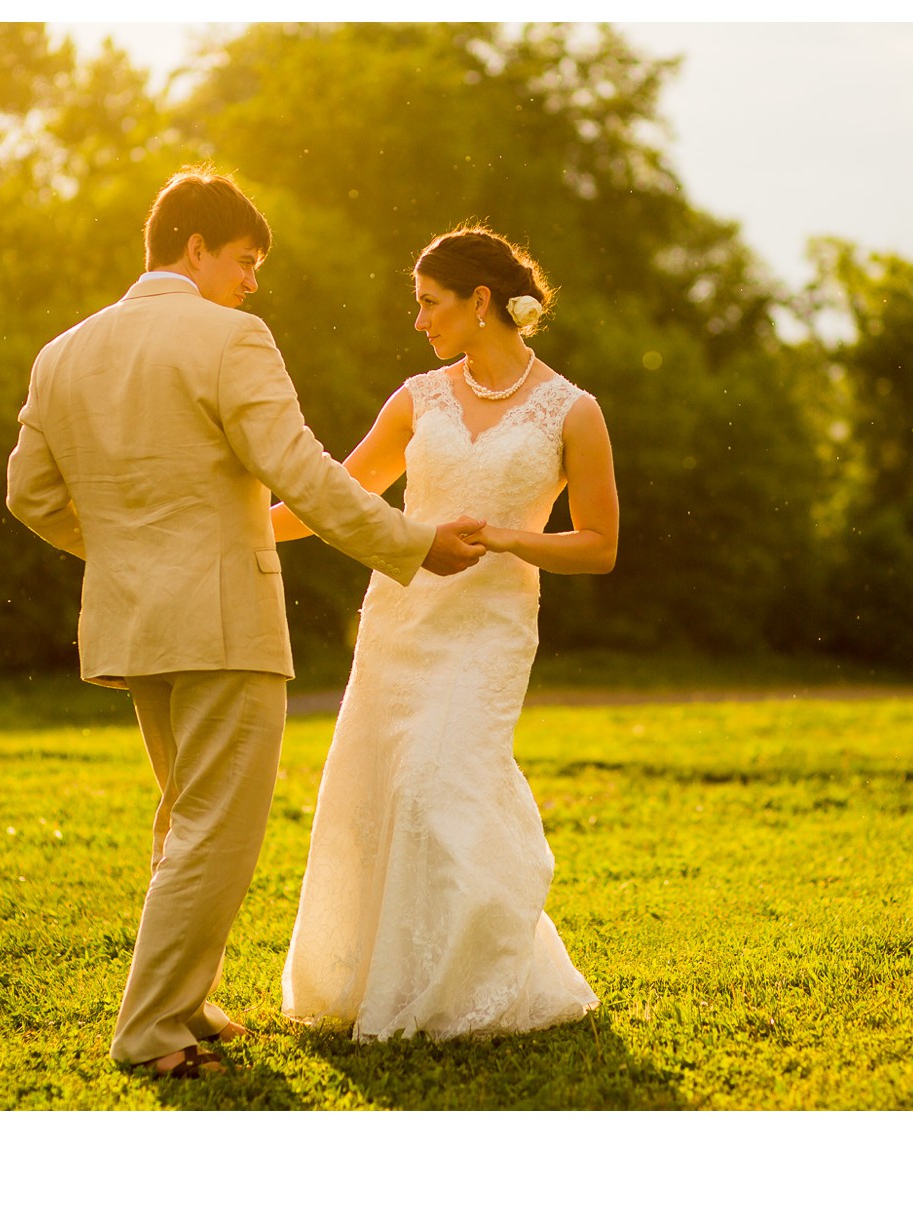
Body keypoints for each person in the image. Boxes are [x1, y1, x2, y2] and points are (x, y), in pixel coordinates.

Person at [5, 168, 486, 1079]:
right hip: (222, 620)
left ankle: (184, 1001)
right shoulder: (231, 338)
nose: (252, 281)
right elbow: (300, 471)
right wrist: (411, 543)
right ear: (195, 247)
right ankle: (151, 1033)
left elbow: (27, 496)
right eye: (245, 259)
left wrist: (122, 551)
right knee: (216, 830)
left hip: (132, 622)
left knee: (185, 818)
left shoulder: (63, 352)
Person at [275, 226, 617, 1039]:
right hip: (401, 623)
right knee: (384, 794)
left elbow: (598, 547)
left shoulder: (574, 412)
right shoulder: (415, 398)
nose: (419, 320)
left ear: (481, 302)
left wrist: (507, 537)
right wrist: (241, 528)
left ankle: (469, 983)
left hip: (491, 632)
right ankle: (375, 981)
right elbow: (338, 499)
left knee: (438, 788)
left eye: (430, 304)